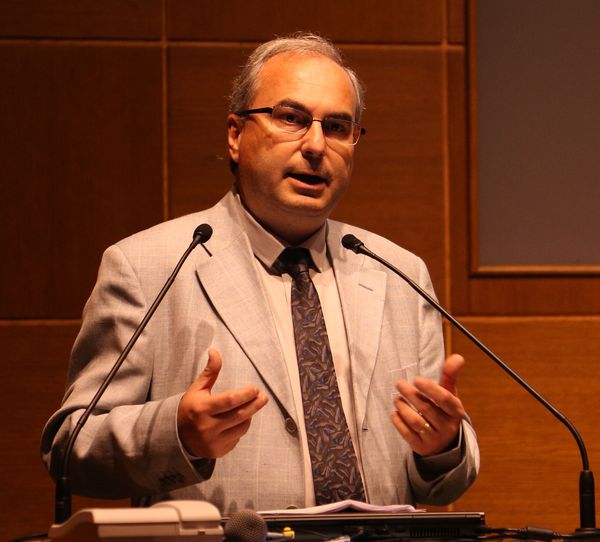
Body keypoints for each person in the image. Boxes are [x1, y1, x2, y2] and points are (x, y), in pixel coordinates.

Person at [41, 32, 479, 514]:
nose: (316, 145)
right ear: (235, 135)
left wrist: (443, 446)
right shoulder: (149, 266)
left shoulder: (399, 272)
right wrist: (176, 433)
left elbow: (444, 482)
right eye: (291, 118)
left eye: (337, 127)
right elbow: (71, 446)